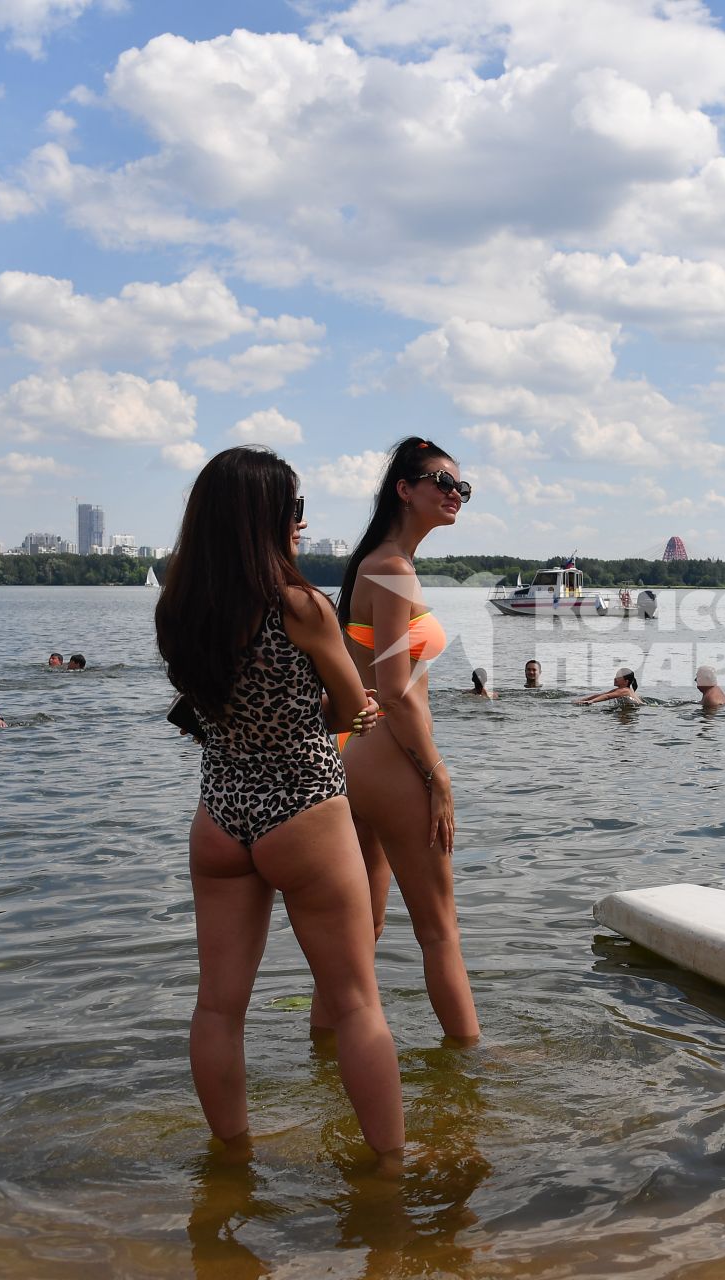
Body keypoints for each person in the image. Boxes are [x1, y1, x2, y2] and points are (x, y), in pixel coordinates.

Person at [154, 445, 402, 1164]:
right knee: (357, 1003)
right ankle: (389, 1169)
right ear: (264, 517)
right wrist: (359, 708)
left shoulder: (178, 608)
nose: (301, 522)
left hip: (220, 815)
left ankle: (231, 1162)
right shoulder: (300, 605)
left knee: (218, 1006)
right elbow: (352, 709)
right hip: (304, 808)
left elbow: (214, 712)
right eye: (293, 510)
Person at [334, 437, 481, 1043]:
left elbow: (356, 677)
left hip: (353, 753)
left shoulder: (373, 563)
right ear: (405, 489)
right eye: (442, 482)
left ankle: (330, 1053)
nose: (455, 494)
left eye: (462, 487)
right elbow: (394, 689)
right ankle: (473, 1063)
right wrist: (436, 773)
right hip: (391, 757)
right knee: (439, 930)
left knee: (360, 928)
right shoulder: (392, 567)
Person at [576, 668, 641, 705]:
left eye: (618, 677)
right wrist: (584, 699)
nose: (615, 678)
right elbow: (603, 694)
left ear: (626, 681)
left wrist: (591, 701)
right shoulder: (625, 689)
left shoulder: (624, 691)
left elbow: (607, 696)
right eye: (616, 676)